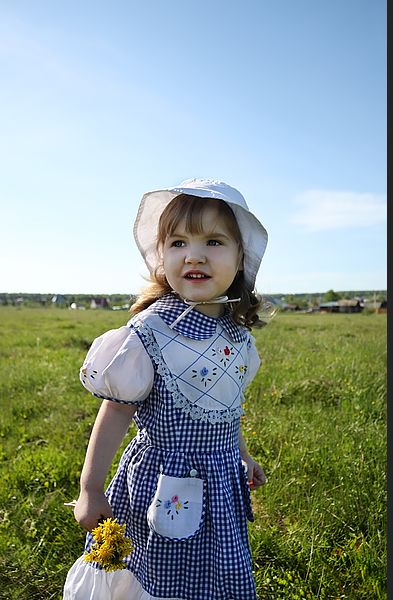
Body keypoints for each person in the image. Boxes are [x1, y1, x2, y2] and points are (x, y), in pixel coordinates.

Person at [63, 178, 269, 600]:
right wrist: (90, 488)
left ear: (241, 257)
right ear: (162, 257)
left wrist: (243, 456)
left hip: (220, 481)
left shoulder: (237, 337)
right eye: (177, 243)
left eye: (213, 241)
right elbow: (115, 411)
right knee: (157, 569)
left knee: (215, 571)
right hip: (160, 482)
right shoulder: (149, 334)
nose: (193, 254)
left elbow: (227, 410)